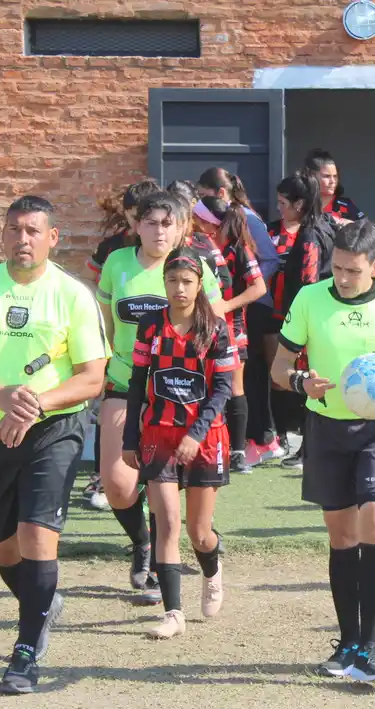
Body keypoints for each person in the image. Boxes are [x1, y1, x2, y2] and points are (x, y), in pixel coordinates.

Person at [0, 195, 110, 694]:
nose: (23, 239)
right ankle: (42, 602)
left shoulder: (74, 296)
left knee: (37, 535)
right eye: (14, 229)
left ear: (53, 238)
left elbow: (92, 377)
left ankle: (26, 652)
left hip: (55, 428)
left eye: (34, 230)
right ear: (3, 234)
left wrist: (36, 403)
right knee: (3, 547)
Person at [271, 219, 375, 683]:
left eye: (354, 271)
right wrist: (299, 380)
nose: (343, 279)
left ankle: (372, 647)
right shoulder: (309, 299)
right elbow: (280, 365)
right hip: (326, 428)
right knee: (342, 535)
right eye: (338, 268)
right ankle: (347, 645)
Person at [122, 248, 234, 638]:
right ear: (164, 284)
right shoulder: (150, 325)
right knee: (167, 524)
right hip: (158, 435)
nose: (179, 288)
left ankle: (213, 569)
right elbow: (137, 383)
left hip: (204, 438)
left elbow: (223, 389)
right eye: (172, 281)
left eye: (187, 282)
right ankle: (173, 614)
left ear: (200, 284)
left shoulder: (216, 328)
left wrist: (196, 433)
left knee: (198, 532)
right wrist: (129, 438)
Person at [96, 191, 192, 595]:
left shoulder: (191, 267)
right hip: (122, 382)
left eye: (167, 224)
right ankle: (142, 541)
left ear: (181, 229)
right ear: (136, 226)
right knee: (118, 485)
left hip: (173, 392)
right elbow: (105, 323)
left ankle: (157, 565)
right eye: (151, 222)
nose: (159, 230)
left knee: (160, 482)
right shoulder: (117, 263)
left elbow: (210, 330)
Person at [82, 178, 160, 511]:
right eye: (130, 216)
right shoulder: (113, 251)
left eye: (139, 216)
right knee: (110, 423)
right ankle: (104, 477)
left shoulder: (179, 254)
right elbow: (100, 298)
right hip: (121, 369)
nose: (133, 223)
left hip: (164, 374)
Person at [198, 168, 282, 471]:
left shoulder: (238, 249)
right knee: (209, 386)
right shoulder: (204, 248)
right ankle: (214, 445)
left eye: (199, 220)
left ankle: (239, 450)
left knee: (235, 386)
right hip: (205, 328)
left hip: (233, 328)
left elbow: (259, 286)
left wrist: (226, 306)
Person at [267, 171, 337, 468]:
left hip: (311, 320)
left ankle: (310, 449)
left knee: (309, 382)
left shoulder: (309, 234)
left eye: (283, 203)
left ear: (299, 203)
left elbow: (308, 281)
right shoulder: (329, 226)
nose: (279, 209)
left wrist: (301, 322)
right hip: (326, 315)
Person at [305, 148, 365, 226]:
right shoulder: (301, 204)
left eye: (335, 176)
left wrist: (351, 225)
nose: (333, 181)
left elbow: (367, 230)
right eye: (327, 176)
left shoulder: (345, 206)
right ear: (311, 176)